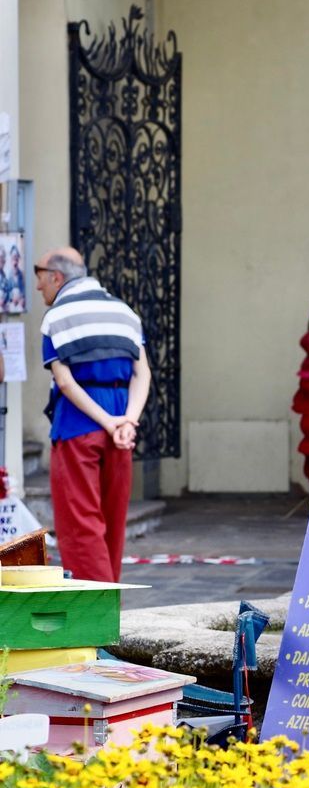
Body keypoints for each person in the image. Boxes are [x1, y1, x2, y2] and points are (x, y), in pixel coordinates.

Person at [34, 247, 151, 583]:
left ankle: (99, 616)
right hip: (119, 428)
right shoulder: (124, 311)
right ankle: (111, 605)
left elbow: (66, 383)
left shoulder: (56, 317)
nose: (38, 285)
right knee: (113, 523)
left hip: (78, 425)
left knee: (80, 524)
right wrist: (127, 420)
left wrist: (107, 421)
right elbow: (142, 373)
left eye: (39, 275)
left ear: (57, 276)